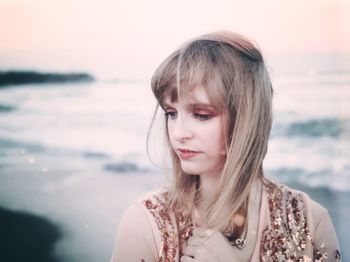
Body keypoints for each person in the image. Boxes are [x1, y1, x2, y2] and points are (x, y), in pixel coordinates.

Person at [111, 31, 341, 261]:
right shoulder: (144, 223)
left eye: (201, 115)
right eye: (171, 113)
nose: (178, 133)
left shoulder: (310, 221)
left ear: (246, 119)